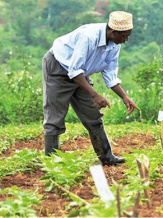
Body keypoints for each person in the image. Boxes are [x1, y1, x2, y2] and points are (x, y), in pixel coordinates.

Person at [42, 11, 139, 166]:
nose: (126, 40)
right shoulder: (88, 37)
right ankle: (51, 162)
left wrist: (124, 97)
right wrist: (95, 95)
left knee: (93, 115)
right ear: (114, 32)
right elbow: (74, 70)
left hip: (80, 74)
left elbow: (110, 73)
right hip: (58, 68)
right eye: (125, 36)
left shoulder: (115, 44)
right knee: (55, 116)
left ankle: (107, 157)